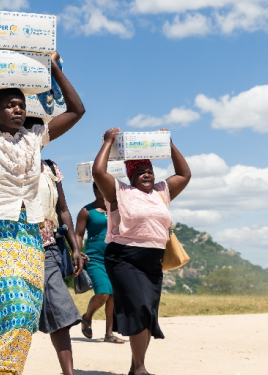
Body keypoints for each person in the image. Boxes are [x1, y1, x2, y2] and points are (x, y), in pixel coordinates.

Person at [0, 47, 85, 375]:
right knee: (11, 306)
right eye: (10, 105)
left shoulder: (34, 140)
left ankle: (1, 370)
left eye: (22, 105)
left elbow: (77, 110)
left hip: (30, 234)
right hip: (0, 232)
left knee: (24, 315)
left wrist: (53, 70)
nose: (18, 110)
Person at [92, 127, 191, 375]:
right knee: (139, 307)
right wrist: (107, 142)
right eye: (140, 172)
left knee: (148, 312)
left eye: (149, 171)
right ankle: (140, 368)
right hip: (124, 258)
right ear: (130, 176)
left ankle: (136, 366)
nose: (146, 174)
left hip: (152, 262)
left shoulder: (161, 192)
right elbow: (98, 172)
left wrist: (168, 144)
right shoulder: (119, 192)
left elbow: (184, 174)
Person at [74, 182, 125, 344]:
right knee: (103, 293)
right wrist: (78, 252)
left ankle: (109, 333)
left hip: (116, 257)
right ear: (96, 190)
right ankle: (87, 317)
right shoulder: (86, 211)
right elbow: (79, 234)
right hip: (94, 257)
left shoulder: (118, 209)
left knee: (113, 296)